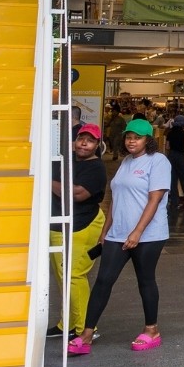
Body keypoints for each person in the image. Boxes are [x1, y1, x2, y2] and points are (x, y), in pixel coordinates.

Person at [72, 119, 169, 354]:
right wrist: (106, 231)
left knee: (145, 280)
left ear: (148, 140)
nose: (131, 141)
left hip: (149, 235)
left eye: (137, 137)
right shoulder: (126, 162)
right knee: (103, 280)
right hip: (118, 233)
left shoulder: (158, 161)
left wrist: (137, 232)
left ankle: (151, 330)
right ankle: (86, 334)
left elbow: (154, 200)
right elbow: (117, 199)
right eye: (128, 137)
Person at [50, 123, 108, 345]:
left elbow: (76, 194)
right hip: (58, 224)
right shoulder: (65, 161)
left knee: (73, 275)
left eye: (90, 140)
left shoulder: (96, 168)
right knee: (62, 277)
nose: (84, 143)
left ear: (97, 145)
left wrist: (48, 180)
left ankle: (86, 328)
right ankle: (68, 323)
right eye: (81, 139)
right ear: (74, 142)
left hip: (83, 225)